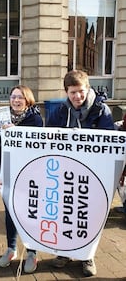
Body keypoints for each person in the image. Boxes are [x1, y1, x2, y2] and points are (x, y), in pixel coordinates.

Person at [46, 69, 115, 277]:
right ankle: (64, 252)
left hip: (92, 174)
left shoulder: (101, 110)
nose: (77, 96)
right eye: (73, 92)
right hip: (65, 173)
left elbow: (108, 140)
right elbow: (48, 136)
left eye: (81, 91)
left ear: (88, 89)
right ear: (66, 91)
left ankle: (87, 255)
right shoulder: (59, 111)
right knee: (64, 214)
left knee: (87, 216)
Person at [0, 85, 43, 273]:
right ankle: (11, 248)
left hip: (30, 176)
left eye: (20, 97)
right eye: (13, 97)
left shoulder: (35, 119)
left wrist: (17, 133)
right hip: (7, 175)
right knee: (10, 213)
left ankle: (32, 252)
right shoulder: (1, 119)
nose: (16, 100)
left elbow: (38, 147)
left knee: (30, 213)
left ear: (27, 100)